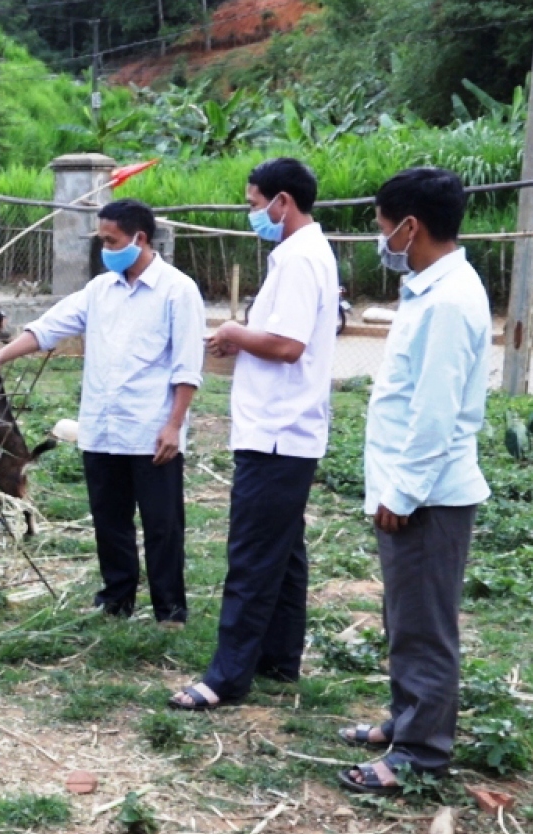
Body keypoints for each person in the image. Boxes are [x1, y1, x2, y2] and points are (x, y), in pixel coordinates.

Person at [0, 200, 205, 626]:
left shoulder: (177, 290)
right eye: (102, 240)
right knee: (110, 520)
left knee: (162, 523)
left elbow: (187, 365)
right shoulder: (100, 290)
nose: (105, 249)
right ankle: (116, 599)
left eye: (111, 240)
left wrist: (174, 425)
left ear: (139, 238)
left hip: (150, 429)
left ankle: (170, 610)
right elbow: (48, 328)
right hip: (103, 427)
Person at [337, 168, 490, 794]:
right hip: (412, 487)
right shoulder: (432, 289)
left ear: (410, 226)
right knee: (405, 616)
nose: (383, 240)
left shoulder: (450, 301)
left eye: (382, 227)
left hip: (428, 494)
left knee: (425, 626)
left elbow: (435, 412)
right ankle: (406, 722)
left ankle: (421, 754)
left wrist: (402, 492)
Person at [171, 157, 340, 711]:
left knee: (251, 557)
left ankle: (226, 677)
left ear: (282, 202)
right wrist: (243, 338)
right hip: (283, 430)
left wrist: (234, 332)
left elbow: (288, 345)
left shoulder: (299, 259)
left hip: (277, 432)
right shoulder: (302, 253)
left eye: (254, 204)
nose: (253, 214)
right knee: (283, 553)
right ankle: (278, 658)